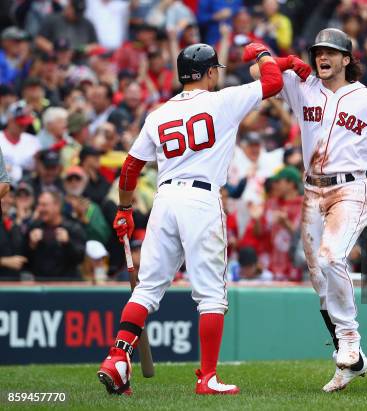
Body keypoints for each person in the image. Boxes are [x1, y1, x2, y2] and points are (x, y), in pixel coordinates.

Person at [249, 28, 367, 392]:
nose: (322, 57)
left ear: (347, 59)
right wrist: (275, 57)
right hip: (312, 191)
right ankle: (353, 360)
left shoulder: (366, 100)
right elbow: (258, 74)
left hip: (350, 188)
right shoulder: (303, 87)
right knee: (319, 280)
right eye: (318, 51)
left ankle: (349, 340)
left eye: (331, 51)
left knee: (332, 259)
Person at [96, 42, 283, 396]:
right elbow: (272, 83)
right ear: (211, 72)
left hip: (164, 200)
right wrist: (261, 53)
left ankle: (117, 359)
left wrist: (123, 209)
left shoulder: (158, 113)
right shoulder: (222, 100)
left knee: (148, 289)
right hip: (201, 198)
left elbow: (131, 167)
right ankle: (207, 377)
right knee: (211, 295)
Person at [24, 189, 87, 279]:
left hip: (66, 285)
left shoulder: (73, 228)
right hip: (41, 285)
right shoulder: (34, 227)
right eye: (39, 204)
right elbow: (24, 261)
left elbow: (80, 258)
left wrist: (68, 243)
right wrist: (31, 245)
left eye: (44, 205)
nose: (40, 209)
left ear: (57, 206)